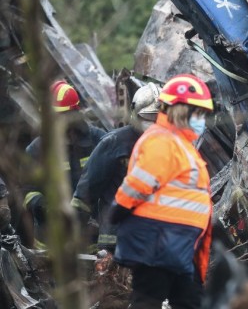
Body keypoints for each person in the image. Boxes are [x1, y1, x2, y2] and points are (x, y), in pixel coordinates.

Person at [110, 74, 214, 309]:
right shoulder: (162, 140)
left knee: (188, 301)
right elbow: (140, 182)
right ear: (179, 111)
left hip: (179, 246)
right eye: (197, 113)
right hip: (157, 243)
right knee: (148, 300)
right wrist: (119, 208)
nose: (201, 120)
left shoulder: (182, 146)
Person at [71, 82, 161, 251]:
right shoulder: (115, 143)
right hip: (117, 241)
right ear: (135, 113)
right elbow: (85, 194)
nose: (153, 123)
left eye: (158, 117)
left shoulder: (167, 147)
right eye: (149, 117)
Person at [24, 80, 105, 247]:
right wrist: (44, 208)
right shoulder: (37, 149)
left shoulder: (99, 141)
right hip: (51, 241)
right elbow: (25, 189)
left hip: (91, 240)